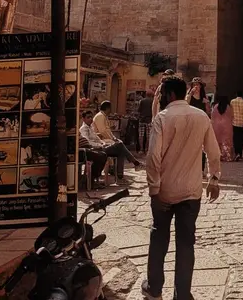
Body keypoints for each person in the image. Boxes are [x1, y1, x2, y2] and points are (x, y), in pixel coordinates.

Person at [142, 77, 221, 300]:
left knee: (159, 239)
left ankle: (154, 288)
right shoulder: (201, 117)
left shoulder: (162, 118)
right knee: (186, 244)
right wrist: (214, 179)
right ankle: (183, 294)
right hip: (190, 190)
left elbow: (153, 158)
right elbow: (213, 151)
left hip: (165, 191)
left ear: (169, 95)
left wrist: (153, 188)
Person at [80, 111, 142, 184]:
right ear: (83, 119)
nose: (90, 119)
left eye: (91, 117)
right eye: (88, 117)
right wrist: (100, 145)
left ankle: (120, 177)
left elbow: (98, 139)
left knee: (120, 151)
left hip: (101, 147)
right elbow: (87, 142)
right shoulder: (84, 129)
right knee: (119, 145)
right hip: (96, 151)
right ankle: (135, 162)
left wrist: (104, 143)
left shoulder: (91, 128)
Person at [211, 96, 234, 161]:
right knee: (227, 141)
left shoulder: (215, 107)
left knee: (218, 141)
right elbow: (232, 116)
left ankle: (219, 156)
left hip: (217, 126)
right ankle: (227, 157)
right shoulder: (228, 107)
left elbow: (212, 116)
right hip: (227, 126)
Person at [230, 91, 243, 161]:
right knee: (241, 139)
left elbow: (231, 112)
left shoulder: (232, 102)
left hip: (234, 123)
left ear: (236, 94)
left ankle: (236, 153)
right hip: (242, 124)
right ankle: (240, 154)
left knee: (235, 139)